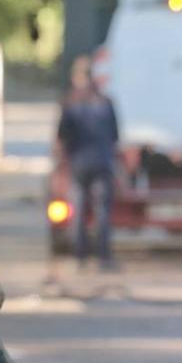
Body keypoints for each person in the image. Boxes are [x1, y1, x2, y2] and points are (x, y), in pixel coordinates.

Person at [55, 53, 120, 268]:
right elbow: (114, 136)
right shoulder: (106, 102)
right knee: (102, 212)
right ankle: (104, 257)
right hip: (103, 162)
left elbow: (62, 137)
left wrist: (60, 166)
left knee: (79, 210)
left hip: (79, 164)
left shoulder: (70, 104)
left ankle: (80, 257)